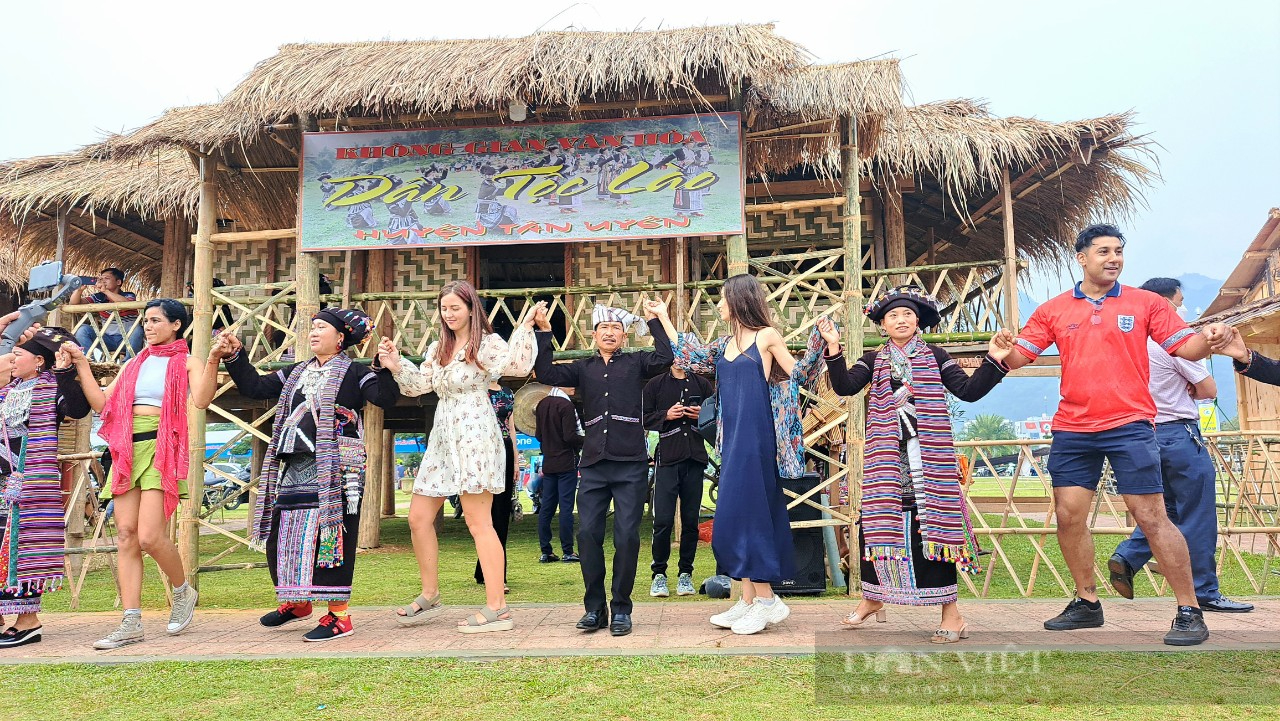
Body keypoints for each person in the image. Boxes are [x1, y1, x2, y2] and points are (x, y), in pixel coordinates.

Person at [997, 223, 1218, 646]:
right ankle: (1087, 603)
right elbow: (1018, 358)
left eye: (1118, 250)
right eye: (1103, 251)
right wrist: (1002, 348)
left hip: (1130, 425)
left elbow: (1187, 348)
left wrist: (1210, 340)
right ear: (1081, 258)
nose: (1113, 258)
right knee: (1068, 515)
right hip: (1073, 427)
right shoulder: (1054, 309)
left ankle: (1189, 610)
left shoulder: (1147, 302)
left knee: (1151, 516)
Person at [817, 287, 1011, 642]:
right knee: (876, 527)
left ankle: (952, 614)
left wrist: (993, 359)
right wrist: (833, 347)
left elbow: (967, 391)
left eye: (907, 314)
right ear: (883, 326)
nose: (901, 320)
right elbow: (845, 386)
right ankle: (873, 597)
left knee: (932, 529)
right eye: (892, 316)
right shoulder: (874, 361)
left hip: (929, 461)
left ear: (918, 321)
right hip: (887, 462)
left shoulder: (935, 355)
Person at [653, 274, 825, 635]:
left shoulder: (767, 336)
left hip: (757, 438)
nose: (719, 305)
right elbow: (692, 356)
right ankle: (747, 599)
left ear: (739, 299)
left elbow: (801, 376)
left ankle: (766, 600)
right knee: (733, 518)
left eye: (723, 299)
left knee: (751, 517)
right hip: (730, 441)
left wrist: (822, 343)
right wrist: (664, 319)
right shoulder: (724, 343)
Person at [219, 308, 397, 642]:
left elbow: (384, 399)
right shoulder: (296, 373)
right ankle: (297, 601)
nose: (313, 333)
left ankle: (339, 617)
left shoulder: (356, 373)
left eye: (321, 328)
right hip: (295, 468)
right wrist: (235, 356)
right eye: (311, 327)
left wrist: (386, 368)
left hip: (338, 470)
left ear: (340, 337)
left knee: (332, 539)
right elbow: (254, 387)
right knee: (282, 535)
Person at [379, 284, 540, 634]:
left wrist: (526, 327)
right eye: (444, 308)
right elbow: (418, 385)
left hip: (476, 435)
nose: (449, 314)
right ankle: (430, 592)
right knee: (419, 518)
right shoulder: (439, 348)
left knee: (478, 522)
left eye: (455, 307)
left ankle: (498, 606)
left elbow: (518, 362)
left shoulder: (488, 343)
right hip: (443, 437)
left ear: (471, 309)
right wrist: (395, 363)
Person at [68, 299, 220, 650]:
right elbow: (103, 404)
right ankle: (131, 621)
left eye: (155, 320)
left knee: (150, 537)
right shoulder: (135, 363)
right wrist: (81, 364)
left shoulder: (187, 362)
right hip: (126, 450)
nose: (148, 326)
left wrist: (211, 360)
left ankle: (183, 591)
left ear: (176, 325)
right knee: (125, 534)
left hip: (160, 447)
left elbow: (201, 399)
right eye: (146, 321)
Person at [1108, 278, 1252, 614]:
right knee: (1198, 514)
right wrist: (1193, 386)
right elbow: (1208, 389)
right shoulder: (1171, 343)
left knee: (1163, 511)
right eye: (1180, 301)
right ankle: (1203, 590)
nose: (1183, 308)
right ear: (1163, 305)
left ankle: (1128, 556)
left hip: (1139, 437)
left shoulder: (1125, 345)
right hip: (1178, 435)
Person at [532, 301, 674, 637]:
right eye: (603, 329)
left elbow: (666, 357)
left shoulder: (638, 362)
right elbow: (546, 372)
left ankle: (622, 608)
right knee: (587, 534)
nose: (609, 333)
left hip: (631, 465)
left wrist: (654, 321)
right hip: (593, 464)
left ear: (624, 336)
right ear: (593, 335)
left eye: (615, 329)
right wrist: (543, 331)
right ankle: (594, 609)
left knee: (626, 536)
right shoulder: (583, 368)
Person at [0, 323, 90, 648]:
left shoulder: (50, 389)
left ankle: (28, 622)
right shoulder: (8, 391)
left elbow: (79, 409)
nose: (12, 359)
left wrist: (67, 372)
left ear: (39, 361)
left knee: (24, 549)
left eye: (18, 354)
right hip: (4, 483)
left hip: (30, 486)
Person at [641, 364, 713, 598]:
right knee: (662, 519)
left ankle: (686, 574)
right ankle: (659, 574)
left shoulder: (702, 384)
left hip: (694, 457)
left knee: (691, 520)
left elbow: (717, 415)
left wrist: (700, 414)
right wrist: (666, 415)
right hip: (668, 459)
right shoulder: (656, 384)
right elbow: (643, 417)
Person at [533, 387, 583, 563]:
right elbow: (570, 436)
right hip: (566, 461)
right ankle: (568, 550)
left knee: (546, 507)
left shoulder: (541, 404)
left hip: (549, 461)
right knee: (566, 507)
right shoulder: (566, 406)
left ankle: (546, 551)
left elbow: (538, 434)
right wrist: (586, 440)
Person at [475, 381, 517, 589]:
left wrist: (517, 460)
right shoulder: (476, 389)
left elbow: (511, 427)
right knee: (484, 513)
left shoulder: (508, 393)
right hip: (483, 450)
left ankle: (494, 572)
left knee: (501, 513)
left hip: (505, 450)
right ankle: (488, 570)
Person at [71, 267, 144, 359]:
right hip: (106, 340)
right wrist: (79, 290)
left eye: (107, 278)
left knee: (137, 330)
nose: (103, 281)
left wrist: (106, 291)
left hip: (128, 340)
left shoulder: (128, 295)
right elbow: (74, 303)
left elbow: (127, 303)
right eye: (101, 279)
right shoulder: (99, 297)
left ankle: (127, 363)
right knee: (83, 330)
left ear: (118, 282)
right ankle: (89, 361)